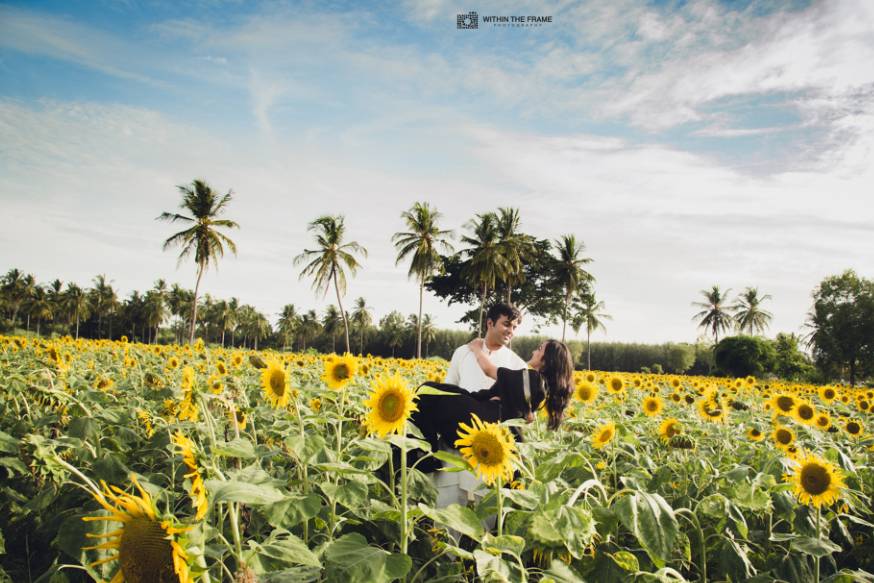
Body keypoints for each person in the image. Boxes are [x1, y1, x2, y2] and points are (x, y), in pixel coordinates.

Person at [411, 338, 574, 474]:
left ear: (547, 359)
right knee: (435, 390)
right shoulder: (542, 388)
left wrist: (476, 349)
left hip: (486, 418)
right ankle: (427, 454)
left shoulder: (532, 377)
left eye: (539, 349)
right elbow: (527, 415)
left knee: (426, 392)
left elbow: (489, 370)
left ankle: (423, 454)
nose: (534, 352)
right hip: (490, 414)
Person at [445, 303, 527, 391]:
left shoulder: (518, 365)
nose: (511, 331)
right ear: (490, 323)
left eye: (514, 328)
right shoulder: (463, 352)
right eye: (506, 324)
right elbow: (449, 390)